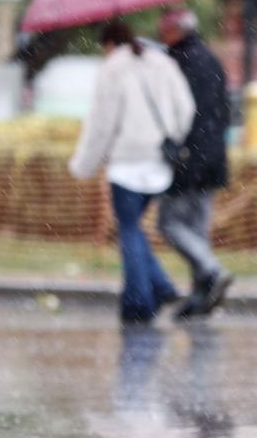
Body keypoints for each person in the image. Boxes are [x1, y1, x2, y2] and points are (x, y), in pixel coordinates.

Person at [69, 21, 195, 324]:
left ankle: (140, 303)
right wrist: (172, 139)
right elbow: (186, 109)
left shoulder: (112, 70)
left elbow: (101, 125)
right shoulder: (163, 63)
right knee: (133, 228)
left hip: (126, 164)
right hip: (158, 165)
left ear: (110, 44)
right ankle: (160, 287)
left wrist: (82, 165)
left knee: (128, 229)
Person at [156, 7, 234, 318]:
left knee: (170, 223)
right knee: (197, 228)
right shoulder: (211, 59)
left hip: (189, 157)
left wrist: (178, 148)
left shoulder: (178, 64)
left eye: (165, 29)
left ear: (176, 31)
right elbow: (224, 109)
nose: (162, 35)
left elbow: (178, 112)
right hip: (214, 156)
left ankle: (211, 271)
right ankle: (202, 294)